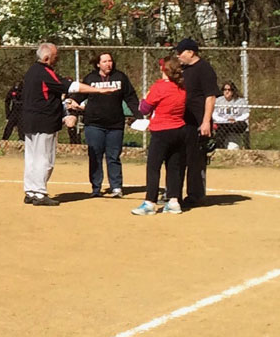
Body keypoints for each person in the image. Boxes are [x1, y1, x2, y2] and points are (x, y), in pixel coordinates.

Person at [20, 43, 120, 206]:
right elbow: (70, 86)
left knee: (32, 157)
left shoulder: (32, 71)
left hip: (30, 121)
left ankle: (30, 190)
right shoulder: (45, 72)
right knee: (45, 158)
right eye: (55, 56)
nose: (57, 59)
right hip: (44, 122)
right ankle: (39, 192)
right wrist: (99, 90)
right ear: (46, 58)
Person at [73, 52, 140, 197]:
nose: (108, 64)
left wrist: (139, 115)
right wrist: (71, 107)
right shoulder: (91, 78)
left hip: (115, 125)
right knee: (95, 155)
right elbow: (78, 96)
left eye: (110, 61)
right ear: (98, 64)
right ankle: (96, 188)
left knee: (113, 156)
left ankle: (116, 187)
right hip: (94, 124)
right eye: (104, 61)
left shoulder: (120, 77)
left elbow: (131, 97)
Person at [131, 57, 192, 216]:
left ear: (164, 70)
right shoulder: (182, 87)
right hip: (179, 130)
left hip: (161, 131)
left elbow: (144, 109)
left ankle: (150, 203)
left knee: (153, 167)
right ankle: (173, 201)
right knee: (173, 167)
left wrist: (145, 97)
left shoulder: (159, 87)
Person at [175, 38, 220, 207]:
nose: (178, 56)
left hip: (198, 121)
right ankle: (174, 194)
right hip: (181, 121)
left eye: (180, 52)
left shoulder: (204, 69)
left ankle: (196, 195)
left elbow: (210, 96)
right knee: (178, 158)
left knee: (196, 159)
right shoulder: (182, 70)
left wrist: (206, 121)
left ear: (190, 52)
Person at [212, 81, 250, 149]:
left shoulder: (240, 101)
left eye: (229, 90)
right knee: (221, 128)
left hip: (236, 124)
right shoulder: (218, 100)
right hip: (223, 124)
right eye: (225, 89)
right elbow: (214, 115)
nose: (227, 92)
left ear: (233, 91)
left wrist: (235, 120)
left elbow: (246, 114)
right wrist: (226, 120)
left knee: (242, 124)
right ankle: (219, 147)